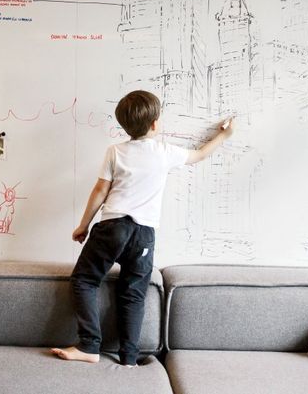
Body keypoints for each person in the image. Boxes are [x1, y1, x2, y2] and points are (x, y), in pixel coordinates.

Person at [51, 90, 234, 366]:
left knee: (84, 280)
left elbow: (101, 190)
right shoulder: (165, 152)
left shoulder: (115, 151)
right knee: (133, 294)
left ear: (124, 126)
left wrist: (83, 225)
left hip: (113, 227)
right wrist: (223, 135)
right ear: (155, 124)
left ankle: (90, 345)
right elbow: (200, 155)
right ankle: (129, 359)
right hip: (144, 235)